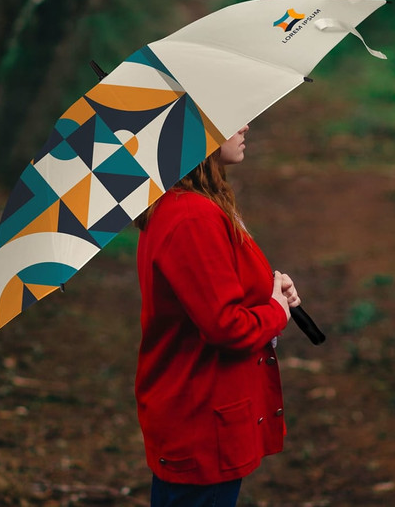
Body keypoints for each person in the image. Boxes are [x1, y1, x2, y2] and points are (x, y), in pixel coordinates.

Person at [134, 124, 301, 507]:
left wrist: (269, 296)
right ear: (195, 131)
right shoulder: (193, 215)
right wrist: (274, 312)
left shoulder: (194, 204)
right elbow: (225, 326)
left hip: (199, 414)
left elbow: (213, 297)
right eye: (231, 116)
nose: (245, 125)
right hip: (200, 423)